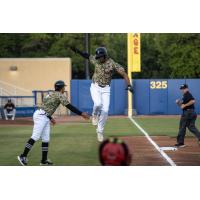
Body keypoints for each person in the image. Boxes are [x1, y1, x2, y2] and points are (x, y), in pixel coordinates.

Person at [17, 80, 90, 166]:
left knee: (46, 139)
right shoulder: (59, 95)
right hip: (41, 116)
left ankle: (43, 160)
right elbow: (69, 106)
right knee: (35, 136)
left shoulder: (50, 94)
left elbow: (46, 107)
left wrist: (50, 118)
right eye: (64, 87)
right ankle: (23, 156)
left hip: (43, 115)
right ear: (61, 88)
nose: (64, 88)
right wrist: (81, 113)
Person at [70, 46, 133, 142]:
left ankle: (99, 131)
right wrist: (77, 50)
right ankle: (94, 115)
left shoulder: (112, 64)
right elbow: (87, 56)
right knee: (98, 104)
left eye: (100, 56)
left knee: (105, 110)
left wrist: (128, 85)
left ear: (105, 55)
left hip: (106, 89)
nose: (98, 58)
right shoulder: (96, 60)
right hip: (95, 87)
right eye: (97, 57)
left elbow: (124, 74)